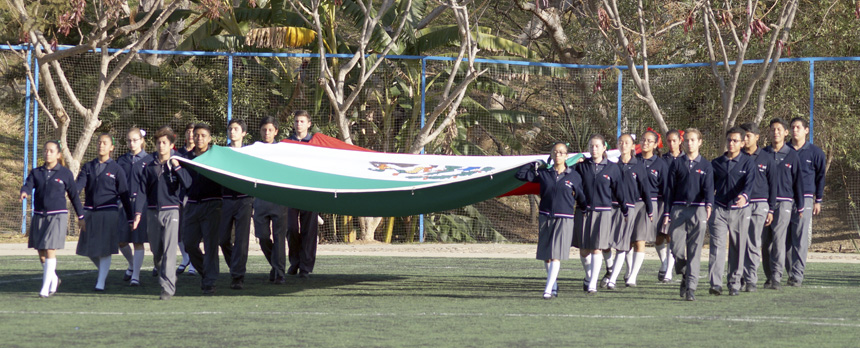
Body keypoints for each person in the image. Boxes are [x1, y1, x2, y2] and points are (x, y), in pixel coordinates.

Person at [516, 142, 583, 299]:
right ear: (552, 155)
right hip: (546, 216)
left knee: (555, 254)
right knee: (546, 255)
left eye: (561, 152)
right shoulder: (545, 174)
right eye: (555, 152)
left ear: (567, 156)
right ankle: (553, 285)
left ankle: (547, 289)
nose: (558, 155)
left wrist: (584, 209)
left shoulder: (574, 176)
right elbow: (520, 175)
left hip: (564, 218)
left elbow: (580, 196)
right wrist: (535, 164)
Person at [20, 140, 85, 298]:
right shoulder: (37, 172)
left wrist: (81, 216)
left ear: (58, 154)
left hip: (57, 215)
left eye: (51, 151)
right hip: (40, 215)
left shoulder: (65, 173)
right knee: (41, 253)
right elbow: (28, 184)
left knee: (50, 249)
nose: (47, 153)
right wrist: (25, 192)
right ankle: (54, 278)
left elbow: (74, 196)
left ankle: (45, 288)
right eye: (45, 150)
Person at [75, 134, 138, 291]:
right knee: (88, 249)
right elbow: (78, 186)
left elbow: (124, 194)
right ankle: (103, 272)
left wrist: (131, 219)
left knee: (105, 249)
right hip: (89, 212)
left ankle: (100, 282)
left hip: (109, 212)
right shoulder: (88, 167)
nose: (101, 145)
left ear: (112, 148)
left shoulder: (117, 169)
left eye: (105, 143)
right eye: (99, 142)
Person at [139, 126, 192, 300]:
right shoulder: (149, 165)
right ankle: (166, 273)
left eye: (164, 143)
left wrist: (177, 168)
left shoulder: (178, 162)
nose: (161, 146)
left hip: (172, 211)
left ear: (171, 145)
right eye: (158, 143)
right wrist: (138, 212)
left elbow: (188, 183)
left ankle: (167, 288)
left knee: (170, 250)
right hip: (153, 211)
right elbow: (142, 191)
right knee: (157, 251)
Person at [664, 128, 713, 301]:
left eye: (693, 140)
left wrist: (709, 205)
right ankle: (684, 272)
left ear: (699, 142)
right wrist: (666, 212)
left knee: (694, 251)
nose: (690, 143)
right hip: (678, 210)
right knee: (676, 249)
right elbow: (669, 189)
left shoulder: (706, 165)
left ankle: (691, 288)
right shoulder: (677, 164)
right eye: (687, 140)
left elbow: (708, 188)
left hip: (698, 210)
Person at [575, 134, 627, 294]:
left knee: (597, 248)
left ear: (604, 148)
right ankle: (590, 276)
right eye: (591, 146)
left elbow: (619, 190)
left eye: (597, 146)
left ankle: (592, 284)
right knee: (584, 250)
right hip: (583, 211)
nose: (594, 149)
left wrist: (624, 208)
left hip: (604, 212)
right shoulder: (581, 167)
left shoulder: (613, 167)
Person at [707, 127, 754, 297]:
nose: (731, 143)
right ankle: (715, 284)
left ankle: (734, 283)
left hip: (739, 210)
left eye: (735, 140)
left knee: (737, 246)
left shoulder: (748, 162)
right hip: (719, 209)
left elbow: (750, 184)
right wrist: (708, 204)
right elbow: (709, 186)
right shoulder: (716, 163)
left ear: (742, 143)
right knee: (717, 246)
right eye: (729, 140)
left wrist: (744, 196)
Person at [604, 134, 652, 290]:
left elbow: (645, 189)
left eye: (626, 143)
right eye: (620, 142)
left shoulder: (638, 166)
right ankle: (610, 269)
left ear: (633, 146)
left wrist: (650, 209)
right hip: (611, 207)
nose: (623, 145)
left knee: (623, 245)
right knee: (604, 243)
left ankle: (614, 279)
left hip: (630, 208)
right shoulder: (612, 165)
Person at [761, 118, 804, 290]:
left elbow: (798, 182)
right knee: (765, 242)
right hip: (765, 204)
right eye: (772, 129)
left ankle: (777, 277)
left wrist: (800, 204)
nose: (775, 132)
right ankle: (769, 276)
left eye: (779, 129)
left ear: (785, 133)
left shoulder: (792, 155)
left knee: (779, 240)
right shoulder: (763, 154)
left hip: (784, 202)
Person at [181, 123, 223, 295]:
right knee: (189, 243)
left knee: (211, 245)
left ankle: (210, 281)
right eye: (196, 135)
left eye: (203, 135)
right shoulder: (185, 158)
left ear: (209, 138)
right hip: (192, 205)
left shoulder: (216, 157)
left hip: (213, 205)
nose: (199, 138)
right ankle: (206, 273)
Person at [787, 117, 826, 287]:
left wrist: (818, 200)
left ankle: (797, 275)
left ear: (806, 130)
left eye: (798, 127)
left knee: (800, 237)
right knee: (783, 240)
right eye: (793, 127)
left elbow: (820, 177)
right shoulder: (783, 150)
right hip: (784, 199)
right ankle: (789, 272)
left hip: (806, 199)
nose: (795, 130)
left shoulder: (815, 153)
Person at [739, 122, 776, 292]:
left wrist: (771, 209)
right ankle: (738, 276)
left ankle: (751, 278)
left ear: (757, 137)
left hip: (760, 204)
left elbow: (773, 185)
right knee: (739, 242)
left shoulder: (767, 158)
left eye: (748, 136)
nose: (745, 139)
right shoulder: (737, 156)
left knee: (753, 242)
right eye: (743, 136)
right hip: (740, 205)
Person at [253, 116, 289, 284]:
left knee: (279, 237)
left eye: (270, 130)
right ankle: (275, 265)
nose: (266, 133)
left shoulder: (283, 149)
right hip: (260, 199)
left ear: (276, 131)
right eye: (264, 130)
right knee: (263, 237)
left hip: (279, 199)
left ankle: (280, 273)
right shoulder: (254, 149)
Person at [628, 129, 666, 286]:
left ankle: (633, 276)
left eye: (649, 141)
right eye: (643, 140)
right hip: (631, 203)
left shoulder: (660, 164)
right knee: (627, 241)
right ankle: (628, 271)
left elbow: (664, 188)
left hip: (649, 203)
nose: (645, 143)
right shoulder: (633, 160)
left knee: (640, 240)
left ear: (655, 144)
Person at [219, 119, 254, 289]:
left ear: (243, 133)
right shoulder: (222, 152)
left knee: (241, 240)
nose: (232, 132)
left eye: (236, 129)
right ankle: (235, 267)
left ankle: (238, 276)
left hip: (244, 200)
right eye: (230, 129)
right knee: (223, 239)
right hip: (225, 200)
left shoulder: (249, 153)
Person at [286, 111, 321, 279]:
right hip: (290, 192)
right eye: (296, 121)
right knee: (291, 228)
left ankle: (306, 267)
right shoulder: (286, 144)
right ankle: (295, 262)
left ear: (309, 124)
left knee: (309, 230)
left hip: (310, 192)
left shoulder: (317, 143)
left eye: (302, 121)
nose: (298, 124)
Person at [116, 127, 151, 286]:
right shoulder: (121, 160)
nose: (132, 143)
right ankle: (131, 265)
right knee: (121, 240)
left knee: (138, 241)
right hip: (123, 204)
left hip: (140, 205)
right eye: (129, 140)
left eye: (135, 140)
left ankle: (135, 276)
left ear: (142, 141)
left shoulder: (149, 160)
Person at [656, 129, 683, 283]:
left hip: (678, 202)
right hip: (661, 202)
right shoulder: (662, 159)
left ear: (680, 141)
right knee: (658, 238)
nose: (671, 144)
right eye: (668, 141)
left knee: (671, 237)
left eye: (674, 140)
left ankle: (668, 273)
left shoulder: (686, 159)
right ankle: (665, 263)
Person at [175, 122, 197, 277]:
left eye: (193, 132)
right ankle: (185, 257)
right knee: (179, 230)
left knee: (193, 230)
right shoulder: (178, 153)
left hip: (196, 196)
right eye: (188, 131)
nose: (190, 135)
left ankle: (194, 263)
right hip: (179, 195)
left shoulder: (201, 154)